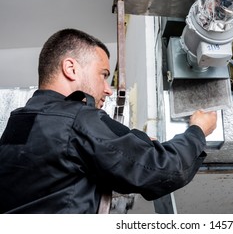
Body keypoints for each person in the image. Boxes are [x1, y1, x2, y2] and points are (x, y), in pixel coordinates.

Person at [0, 28, 217, 213]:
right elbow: (162, 169)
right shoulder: (77, 119)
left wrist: (135, 142)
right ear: (71, 68)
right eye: (103, 74)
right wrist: (198, 131)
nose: (108, 89)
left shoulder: (17, 124)